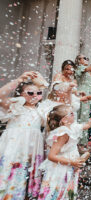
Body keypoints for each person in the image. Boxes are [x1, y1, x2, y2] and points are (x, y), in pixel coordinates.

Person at [38, 104, 91, 200]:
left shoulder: (72, 127)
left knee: (67, 189)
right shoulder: (63, 133)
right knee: (57, 189)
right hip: (61, 167)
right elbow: (51, 156)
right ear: (64, 120)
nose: (74, 115)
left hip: (69, 165)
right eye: (71, 113)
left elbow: (88, 125)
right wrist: (71, 162)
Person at [0, 71, 44, 199]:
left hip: (32, 152)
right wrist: (18, 80)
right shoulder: (16, 107)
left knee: (25, 181)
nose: (35, 96)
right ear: (21, 94)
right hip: (14, 149)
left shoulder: (41, 111)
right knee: (7, 176)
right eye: (30, 93)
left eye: (38, 93)